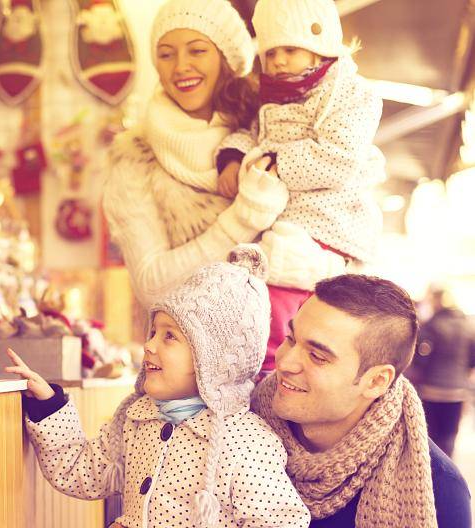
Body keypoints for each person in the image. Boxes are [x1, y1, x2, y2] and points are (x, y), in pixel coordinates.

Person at [9, 245, 310, 527]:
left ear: (213, 358)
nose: (149, 345)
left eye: (169, 337)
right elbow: (81, 471)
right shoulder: (137, 419)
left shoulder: (246, 443)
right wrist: (48, 406)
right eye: (153, 332)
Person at [215, 0, 385, 373]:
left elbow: (340, 157)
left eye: (290, 50)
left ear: (319, 45)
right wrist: (232, 156)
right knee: (257, 287)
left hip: (328, 219)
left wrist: (274, 162)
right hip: (283, 218)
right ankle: (262, 364)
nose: (278, 61)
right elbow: (255, 135)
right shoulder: (272, 98)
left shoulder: (352, 94)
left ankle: (273, 368)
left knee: (283, 283)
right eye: (270, 52)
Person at [102, 0, 291, 309]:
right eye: (166, 54)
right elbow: (151, 288)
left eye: (197, 50)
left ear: (227, 57)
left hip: (287, 333)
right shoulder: (135, 158)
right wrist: (243, 219)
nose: (180, 67)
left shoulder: (273, 129)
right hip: (187, 340)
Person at [251, 275, 471, 528]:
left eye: (317, 356)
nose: (285, 363)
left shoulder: (441, 493)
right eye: (291, 338)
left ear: (376, 381)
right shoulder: (236, 430)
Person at [408, 287, 475, 457]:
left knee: (432, 437)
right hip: (457, 391)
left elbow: (421, 357)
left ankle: (431, 468)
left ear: (437, 302)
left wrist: (419, 372)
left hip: (432, 390)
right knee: (450, 435)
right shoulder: (468, 325)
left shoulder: (432, 325)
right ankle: (448, 464)